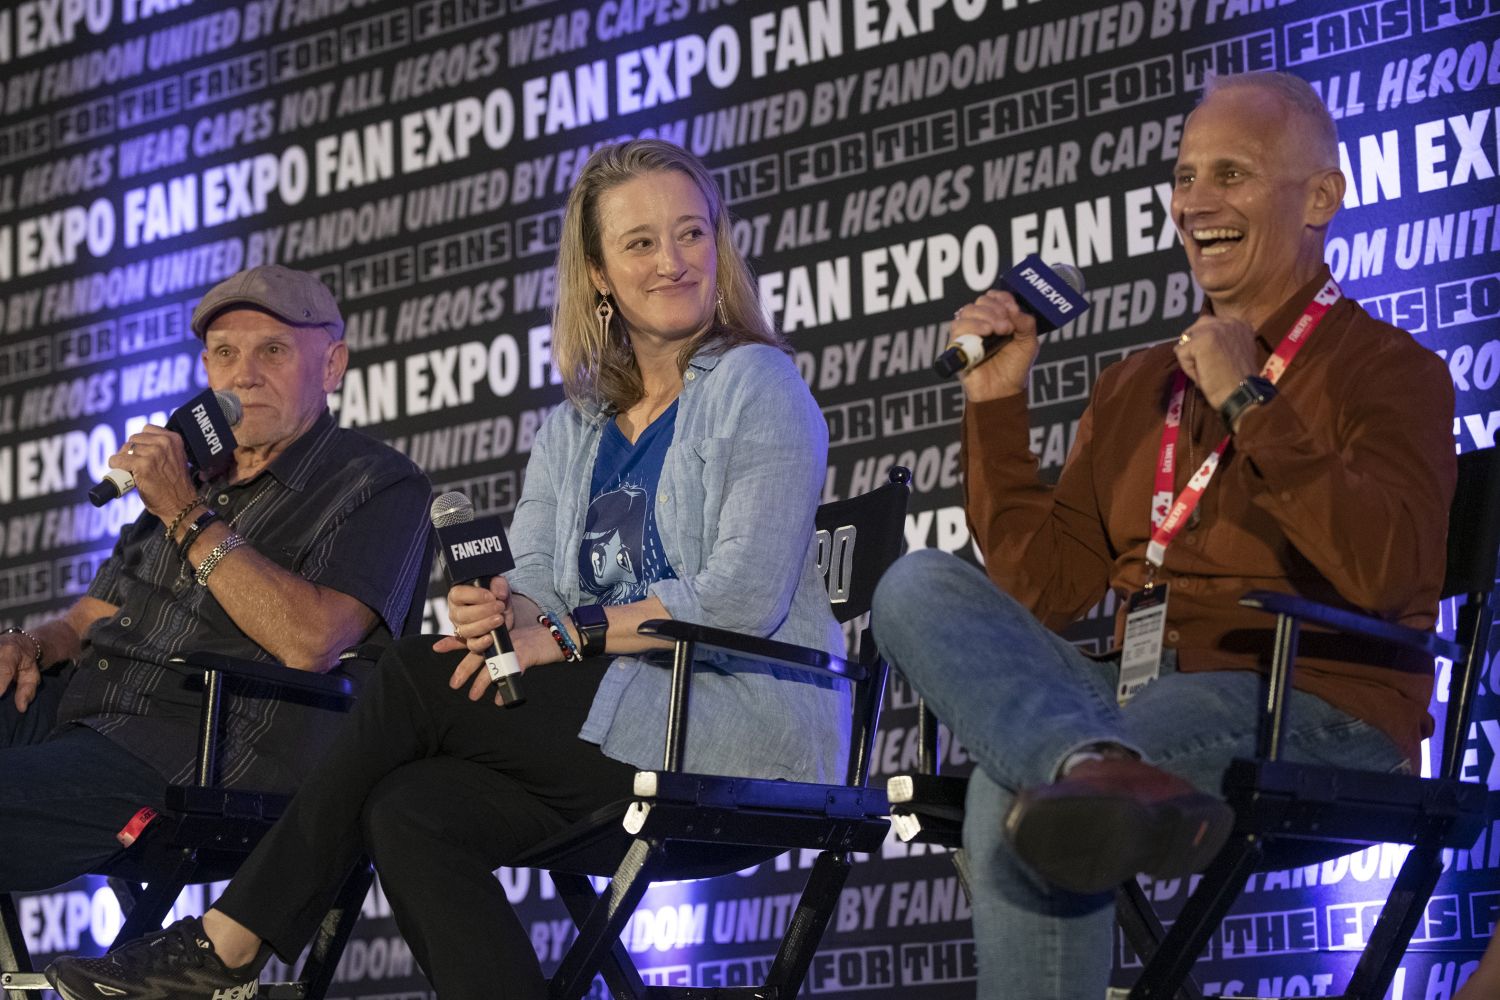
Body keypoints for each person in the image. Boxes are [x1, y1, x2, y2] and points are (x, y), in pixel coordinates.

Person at [46, 138, 847, 1000]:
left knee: (409, 677)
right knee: (409, 806)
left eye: (692, 234)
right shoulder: (577, 426)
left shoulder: (757, 382)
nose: (674, 262)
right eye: (641, 243)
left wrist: (564, 634)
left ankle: (229, 944)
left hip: (738, 726)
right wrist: (510, 613)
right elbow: (539, 576)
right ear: (600, 274)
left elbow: (741, 598)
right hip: (616, 720)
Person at [869, 71, 1456, 997]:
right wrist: (995, 404)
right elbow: (1041, 594)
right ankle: (1089, 762)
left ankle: (1079, 764)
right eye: (1184, 178)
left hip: (1309, 700)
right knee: (912, 586)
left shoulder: (1392, 370)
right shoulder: (1138, 383)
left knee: (1013, 792)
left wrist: (1249, 400)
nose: (1195, 204)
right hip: (1139, 687)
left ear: (1321, 199)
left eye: (1230, 174)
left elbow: (1386, 572)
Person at [0, 264, 432, 894]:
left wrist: (182, 512)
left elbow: (311, 641)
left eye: (273, 351)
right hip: (79, 709)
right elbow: (84, 620)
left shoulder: (376, 481)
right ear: (207, 370)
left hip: (191, 752)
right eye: (225, 353)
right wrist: (30, 644)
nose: (244, 374)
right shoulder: (194, 471)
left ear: (331, 366)